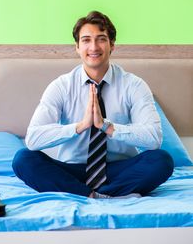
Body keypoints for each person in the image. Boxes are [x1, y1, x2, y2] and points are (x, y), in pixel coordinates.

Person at [12, 11, 174, 199]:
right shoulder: (61, 86)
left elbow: (153, 139)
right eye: (86, 40)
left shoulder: (134, 85)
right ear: (77, 47)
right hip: (72, 170)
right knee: (23, 159)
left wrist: (107, 127)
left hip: (120, 170)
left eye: (101, 39)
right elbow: (33, 139)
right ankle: (95, 195)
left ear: (112, 45)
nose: (94, 47)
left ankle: (92, 194)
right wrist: (80, 126)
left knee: (162, 160)